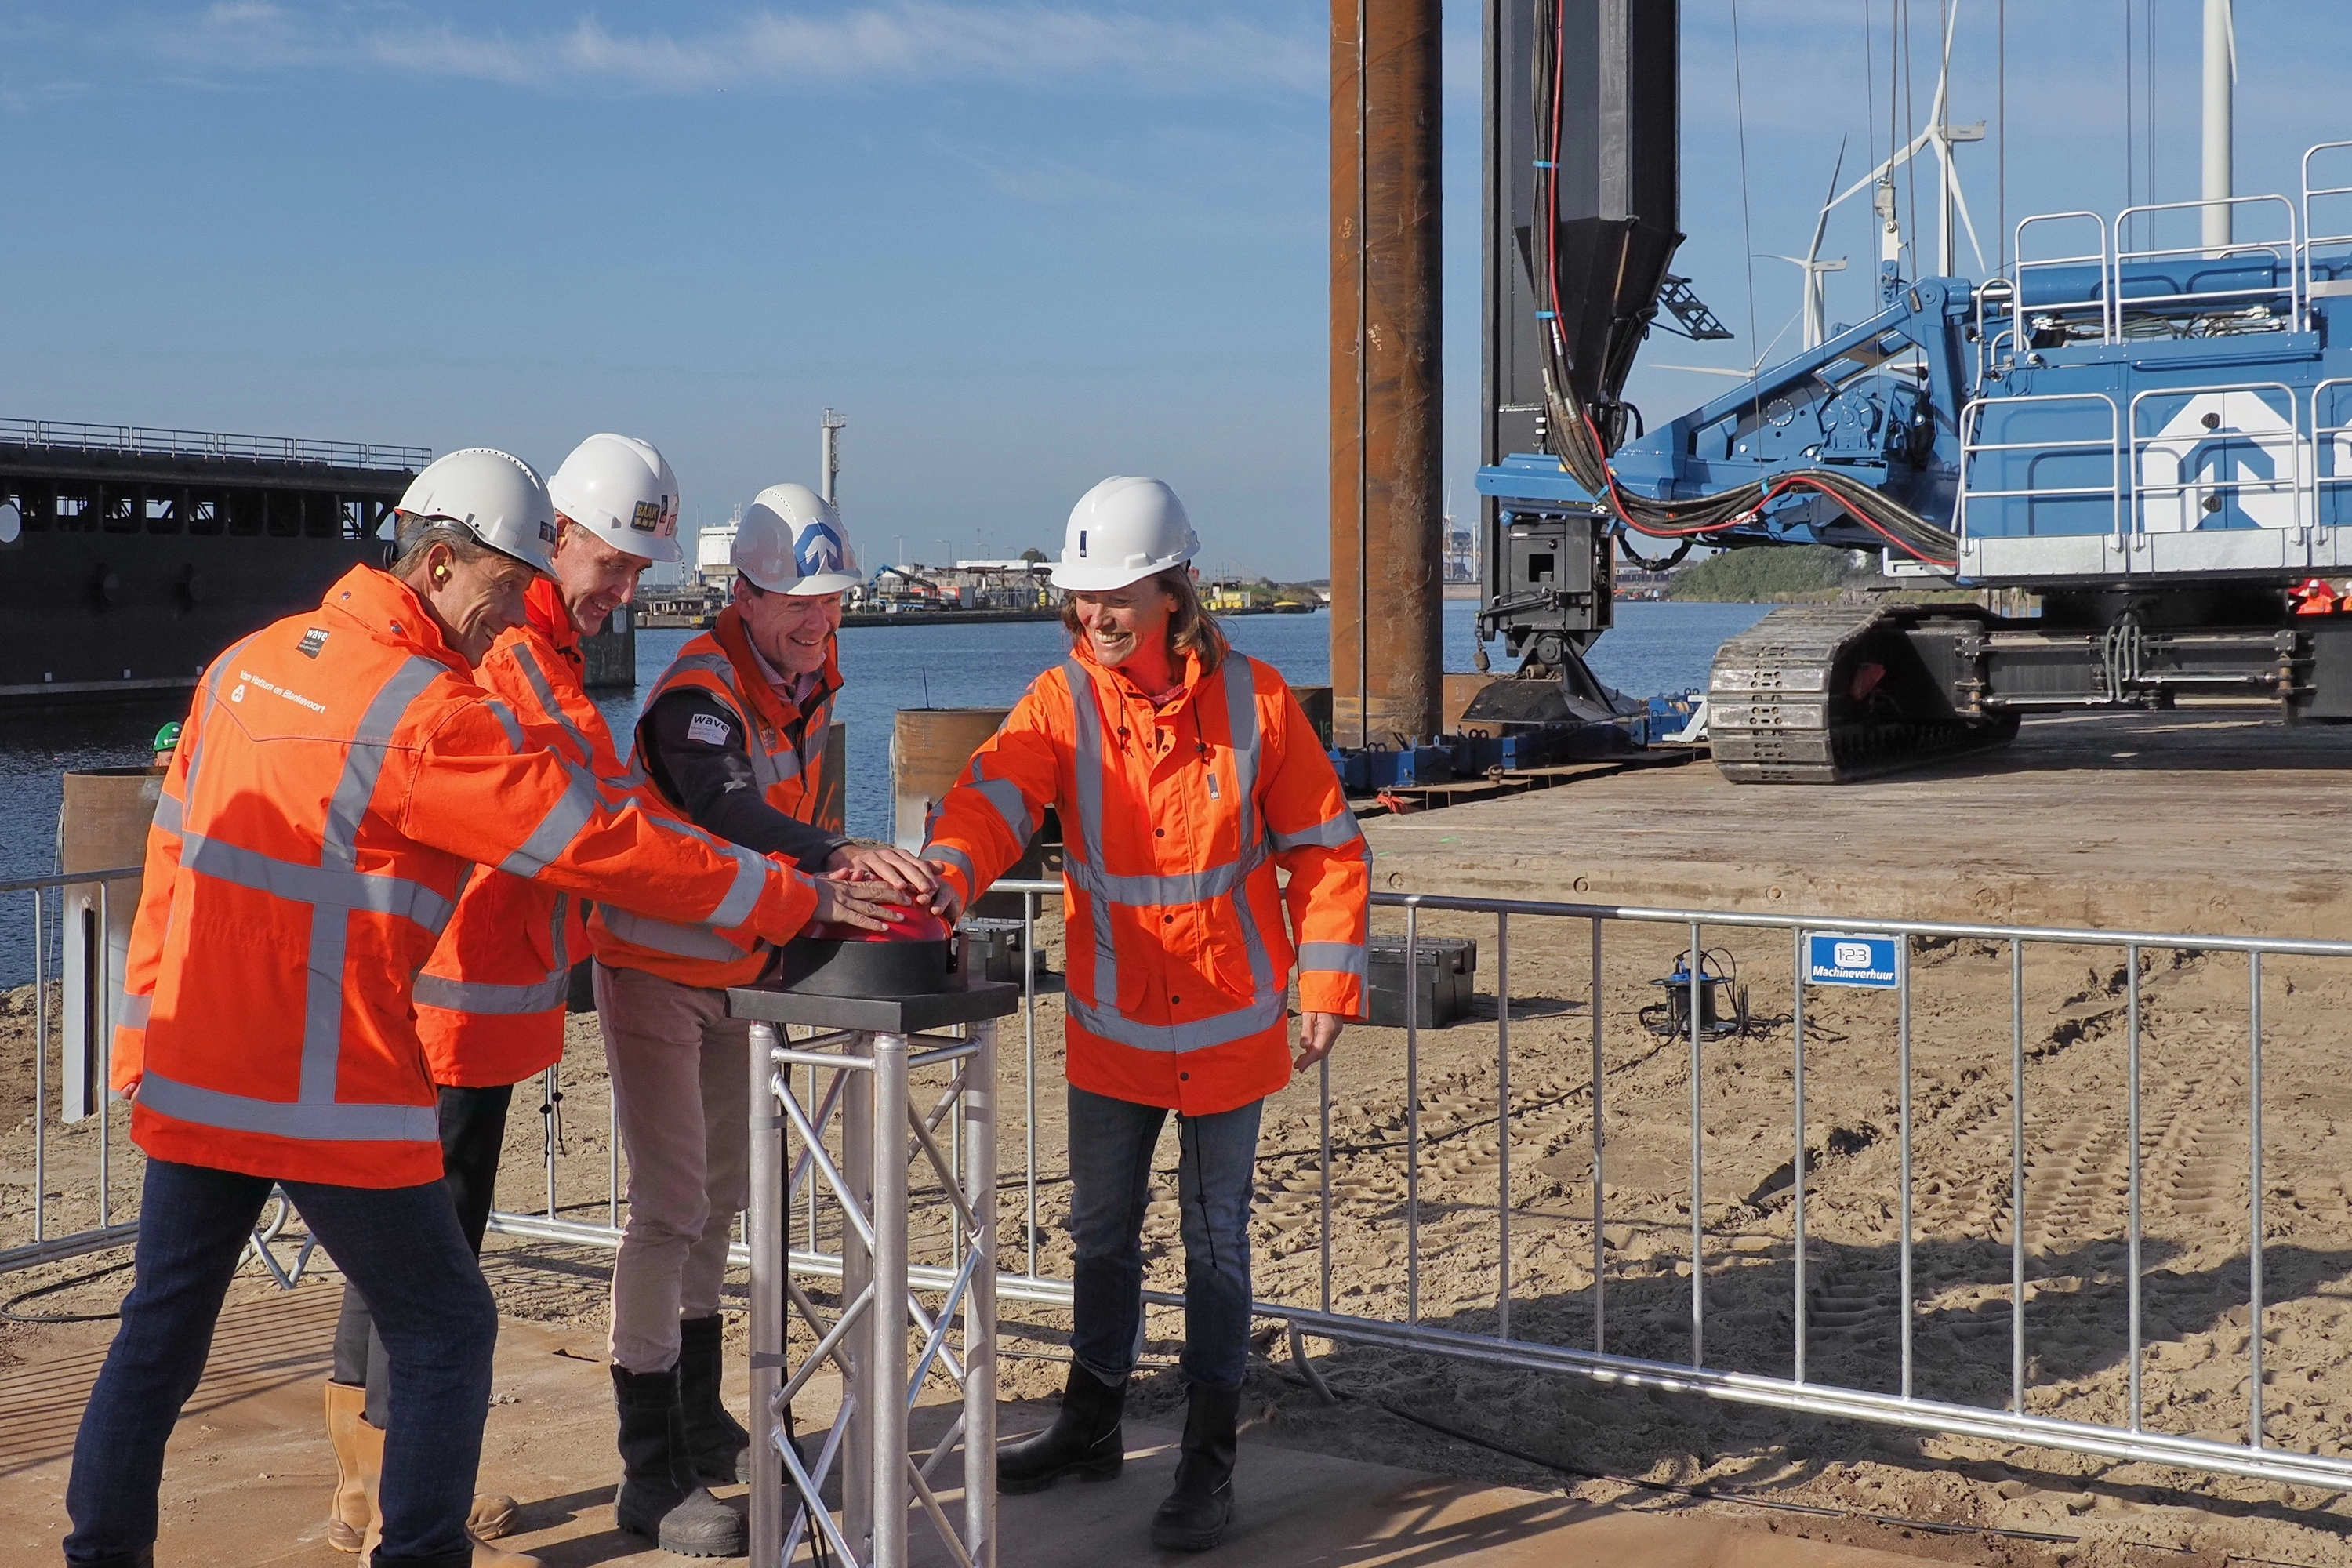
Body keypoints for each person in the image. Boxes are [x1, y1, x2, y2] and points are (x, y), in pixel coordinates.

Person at [64, 448, 900, 1568]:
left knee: (158, 1337)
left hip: (197, 1067)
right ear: (444, 564)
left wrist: (140, 1044)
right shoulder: (428, 712)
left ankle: (100, 1554)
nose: (515, 617)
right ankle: (416, 1549)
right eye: (508, 589)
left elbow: (171, 864)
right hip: (333, 1084)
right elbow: (608, 845)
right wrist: (799, 893)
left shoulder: (244, 665)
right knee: (448, 1325)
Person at [920, 476, 1370, 1552]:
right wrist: (945, 868)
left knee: (1216, 1245)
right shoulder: (1061, 701)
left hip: (1228, 1031)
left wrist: (1324, 983)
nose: (1097, 617)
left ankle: (1208, 1466)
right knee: (1101, 1234)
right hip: (1116, 1031)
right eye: (1082, 596)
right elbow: (996, 795)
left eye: (1119, 595)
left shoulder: (1257, 704)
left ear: (1176, 591)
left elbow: (1328, 849)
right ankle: (1089, 1426)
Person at [316, 434, 695, 1558]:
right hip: (455, 1007)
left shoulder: (523, 655)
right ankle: (389, 1489)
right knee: (432, 1261)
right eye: (609, 566)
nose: (621, 593)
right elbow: (598, 813)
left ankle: (366, 1477)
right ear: (554, 542)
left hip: (453, 1002)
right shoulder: (525, 665)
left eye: (638, 575)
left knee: (411, 1249)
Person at [588, 482, 941, 1556]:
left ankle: (701, 1422)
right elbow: (724, 805)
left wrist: (838, 880)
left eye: (830, 604)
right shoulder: (700, 689)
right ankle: (648, 1466)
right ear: (742, 593)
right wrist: (833, 860)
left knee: (726, 1196)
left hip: (740, 971)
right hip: (653, 966)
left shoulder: (806, 680)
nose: (817, 622)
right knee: (671, 1204)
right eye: (798, 603)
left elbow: (783, 815)